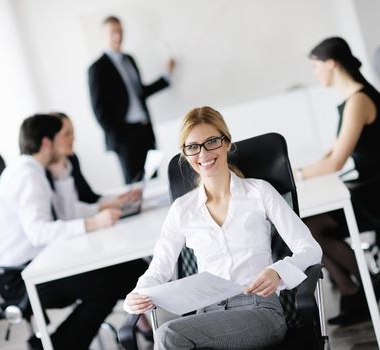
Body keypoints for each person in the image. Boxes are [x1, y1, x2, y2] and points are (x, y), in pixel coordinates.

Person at [124, 106, 322, 349]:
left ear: (226, 143)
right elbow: (158, 270)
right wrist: (138, 294)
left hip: (258, 310)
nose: (203, 153)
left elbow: (310, 248)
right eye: (193, 147)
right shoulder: (181, 209)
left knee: (169, 335)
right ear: (185, 154)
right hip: (207, 315)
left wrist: (278, 271)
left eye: (212, 142)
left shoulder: (259, 192)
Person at [0, 113, 147, 349]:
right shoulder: (28, 175)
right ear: (46, 142)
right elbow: (39, 232)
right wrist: (94, 222)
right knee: (106, 282)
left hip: (37, 262)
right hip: (19, 277)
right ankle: (59, 345)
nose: (72, 139)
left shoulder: (36, 170)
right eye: (64, 135)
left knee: (129, 269)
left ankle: (144, 329)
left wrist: (62, 175)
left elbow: (66, 214)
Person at [297, 37, 380, 326]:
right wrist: (301, 170)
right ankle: (356, 288)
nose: (316, 73)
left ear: (331, 64)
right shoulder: (351, 99)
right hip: (372, 184)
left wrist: (297, 175)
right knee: (307, 225)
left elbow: (335, 163)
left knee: (309, 226)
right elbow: (333, 150)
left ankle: (364, 286)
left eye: (316, 66)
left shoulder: (358, 101)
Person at [88, 15, 176, 184]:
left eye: (120, 31)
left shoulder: (129, 59)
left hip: (145, 130)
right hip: (125, 138)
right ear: (103, 36)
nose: (118, 36)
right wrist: (120, 137)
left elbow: (139, 92)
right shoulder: (97, 68)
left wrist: (166, 76)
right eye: (113, 32)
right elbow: (99, 111)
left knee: (154, 180)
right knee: (135, 186)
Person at [47, 112, 141, 211]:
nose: (73, 138)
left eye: (73, 132)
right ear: (51, 139)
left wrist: (120, 197)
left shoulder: (72, 159)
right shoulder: (44, 172)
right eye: (67, 134)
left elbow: (89, 197)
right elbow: (65, 212)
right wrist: (108, 206)